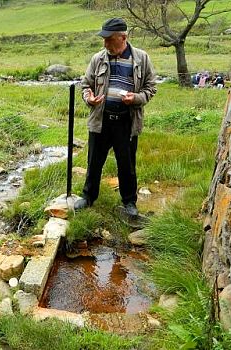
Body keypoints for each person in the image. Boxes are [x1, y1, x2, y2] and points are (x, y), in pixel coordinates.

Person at [75, 17, 157, 219]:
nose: (105, 44)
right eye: (104, 39)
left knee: (126, 164)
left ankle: (129, 202)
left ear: (123, 37)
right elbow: (86, 85)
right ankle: (88, 197)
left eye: (109, 39)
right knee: (94, 161)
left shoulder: (141, 59)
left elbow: (151, 88)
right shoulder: (98, 59)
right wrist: (90, 98)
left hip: (126, 122)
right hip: (101, 119)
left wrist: (136, 98)